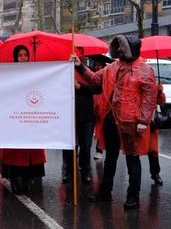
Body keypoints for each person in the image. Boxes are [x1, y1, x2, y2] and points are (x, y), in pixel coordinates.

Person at [75, 36, 157, 210]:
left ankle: (133, 196)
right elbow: (95, 79)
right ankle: (105, 192)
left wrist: (143, 120)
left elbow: (150, 97)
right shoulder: (112, 67)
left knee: (132, 158)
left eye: (122, 47)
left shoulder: (145, 69)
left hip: (131, 121)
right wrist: (80, 66)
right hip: (111, 118)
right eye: (117, 47)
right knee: (110, 157)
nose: (119, 50)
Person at [0, 45, 47, 195]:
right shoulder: (9, 73)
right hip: (13, 117)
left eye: (25, 55)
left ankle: (26, 179)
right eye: (20, 55)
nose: (23, 58)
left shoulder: (34, 73)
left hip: (29, 116)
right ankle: (14, 179)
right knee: (14, 150)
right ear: (16, 57)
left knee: (29, 149)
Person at [63, 48, 102, 186]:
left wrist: (80, 87)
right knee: (69, 145)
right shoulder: (64, 70)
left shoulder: (88, 71)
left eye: (80, 54)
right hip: (69, 113)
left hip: (86, 114)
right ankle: (68, 171)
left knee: (85, 146)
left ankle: (85, 171)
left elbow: (98, 88)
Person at [147, 82, 167, 186]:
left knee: (153, 149)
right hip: (135, 118)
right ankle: (134, 179)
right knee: (133, 152)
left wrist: (159, 92)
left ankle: (155, 173)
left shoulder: (153, 84)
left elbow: (161, 101)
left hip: (150, 120)